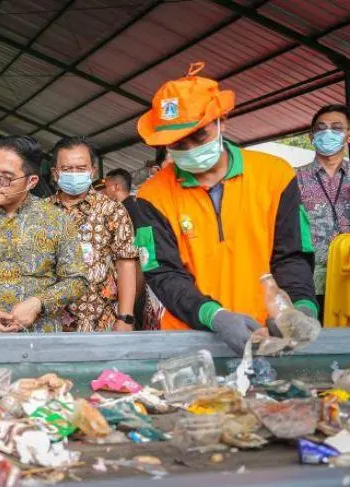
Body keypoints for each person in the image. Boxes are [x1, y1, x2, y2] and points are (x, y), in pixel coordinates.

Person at [133, 62, 317, 355]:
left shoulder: (275, 176)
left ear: (223, 121)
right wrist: (215, 316)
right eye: (177, 144)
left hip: (267, 333)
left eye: (200, 136)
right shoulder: (151, 196)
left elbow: (292, 254)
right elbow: (165, 274)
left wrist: (301, 307)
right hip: (190, 339)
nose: (191, 149)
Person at [0, 135, 87, 333]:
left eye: (6, 178)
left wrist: (39, 302)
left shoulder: (57, 220)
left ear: (31, 181)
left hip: (42, 337)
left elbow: (77, 280)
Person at [48, 137, 138, 333]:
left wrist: (126, 317)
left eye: (81, 168)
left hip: (102, 322)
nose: (74, 174)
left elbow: (126, 263)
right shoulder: (42, 212)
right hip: (52, 325)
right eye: (67, 169)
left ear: (92, 171)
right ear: (55, 173)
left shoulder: (112, 210)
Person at [296, 104, 350, 322]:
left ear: (348, 135)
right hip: (310, 285)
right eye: (321, 128)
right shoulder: (292, 179)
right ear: (311, 137)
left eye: (337, 128)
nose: (328, 133)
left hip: (347, 281)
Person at [104, 167, 162, 331]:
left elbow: (144, 256)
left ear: (116, 187)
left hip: (137, 288)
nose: (104, 192)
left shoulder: (127, 211)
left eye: (106, 186)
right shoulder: (136, 207)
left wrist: (132, 299)